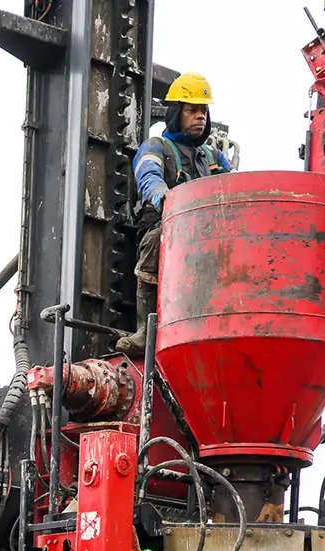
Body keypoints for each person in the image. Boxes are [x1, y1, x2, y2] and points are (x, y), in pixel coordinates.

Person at [117, 73, 232, 357]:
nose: (200, 117)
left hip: (206, 235)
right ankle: (146, 329)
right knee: (155, 241)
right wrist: (161, 194)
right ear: (175, 113)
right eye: (192, 110)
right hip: (167, 228)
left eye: (203, 110)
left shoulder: (212, 156)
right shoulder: (157, 147)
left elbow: (233, 186)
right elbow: (148, 173)